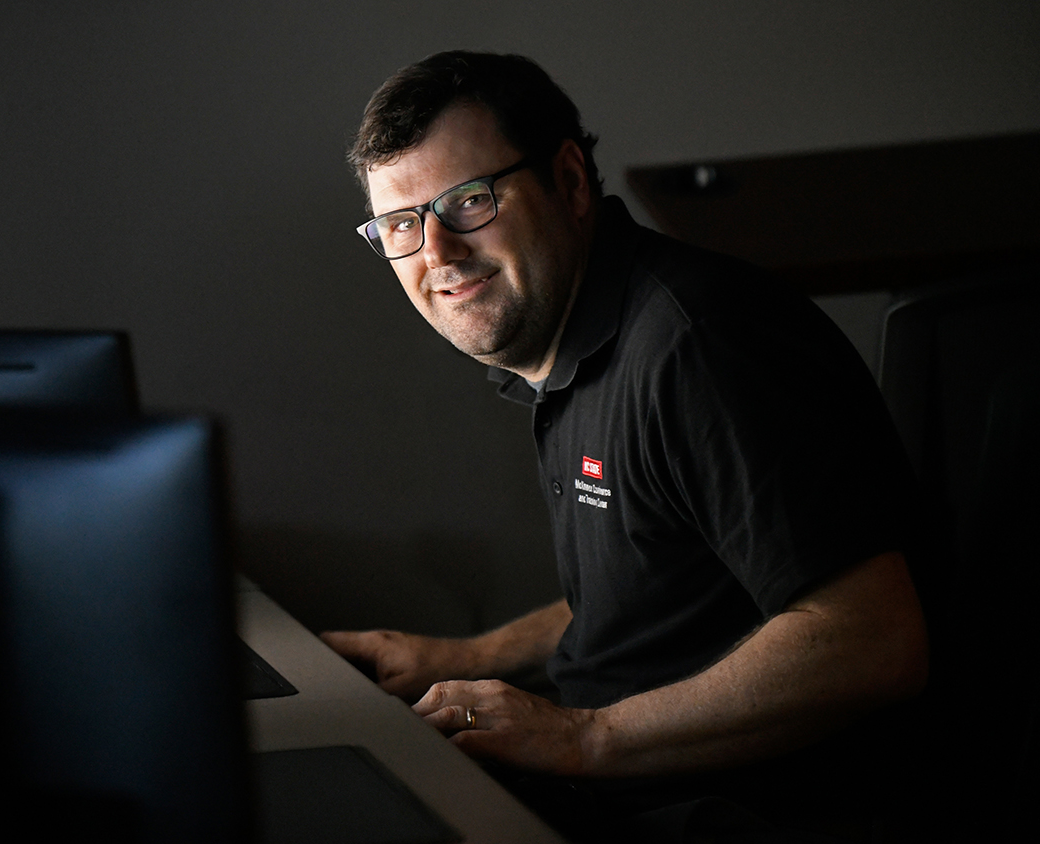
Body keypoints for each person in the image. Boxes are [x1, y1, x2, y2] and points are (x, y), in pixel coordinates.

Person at [322, 51, 929, 841]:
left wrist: (582, 738)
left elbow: (874, 642)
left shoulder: (698, 348)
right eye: (402, 225)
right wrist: (462, 658)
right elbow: (654, 587)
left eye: (469, 201)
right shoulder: (571, 347)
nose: (436, 254)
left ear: (570, 182)